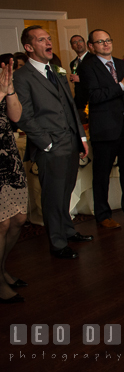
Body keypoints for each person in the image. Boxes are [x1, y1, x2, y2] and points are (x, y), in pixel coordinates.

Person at [14, 26, 92, 259]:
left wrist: (81, 137)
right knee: (52, 196)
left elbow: (69, 106)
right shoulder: (22, 76)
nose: (48, 42)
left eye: (49, 38)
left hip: (70, 142)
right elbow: (23, 116)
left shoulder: (56, 71)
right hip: (50, 146)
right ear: (29, 47)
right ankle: (57, 243)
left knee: (66, 191)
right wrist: (46, 143)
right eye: (41, 40)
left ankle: (67, 230)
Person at [79, 29, 124, 228]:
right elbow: (95, 96)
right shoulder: (87, 66)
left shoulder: (122, 63)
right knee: (101, 174)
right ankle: (102, 214)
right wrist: (123, 84)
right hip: (105, 128)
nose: (106, 44)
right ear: (91, 46)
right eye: (100, 42)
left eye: (108, 40)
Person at [0, 58, 28, 303]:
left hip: (8, 157)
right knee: (2, 225)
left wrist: (9, 90)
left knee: (19, 219)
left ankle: (1, 268)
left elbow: (16, 116)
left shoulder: (3, 83)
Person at [68, 34, 92, 122]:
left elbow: (97, 79)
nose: (78, 44)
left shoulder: (93, 59)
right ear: (72, 47)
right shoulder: (73, 63)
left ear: (85, 43)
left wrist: (80, 79)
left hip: (90, 99)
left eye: (80, 41)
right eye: (75, 42)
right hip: (79, 101)